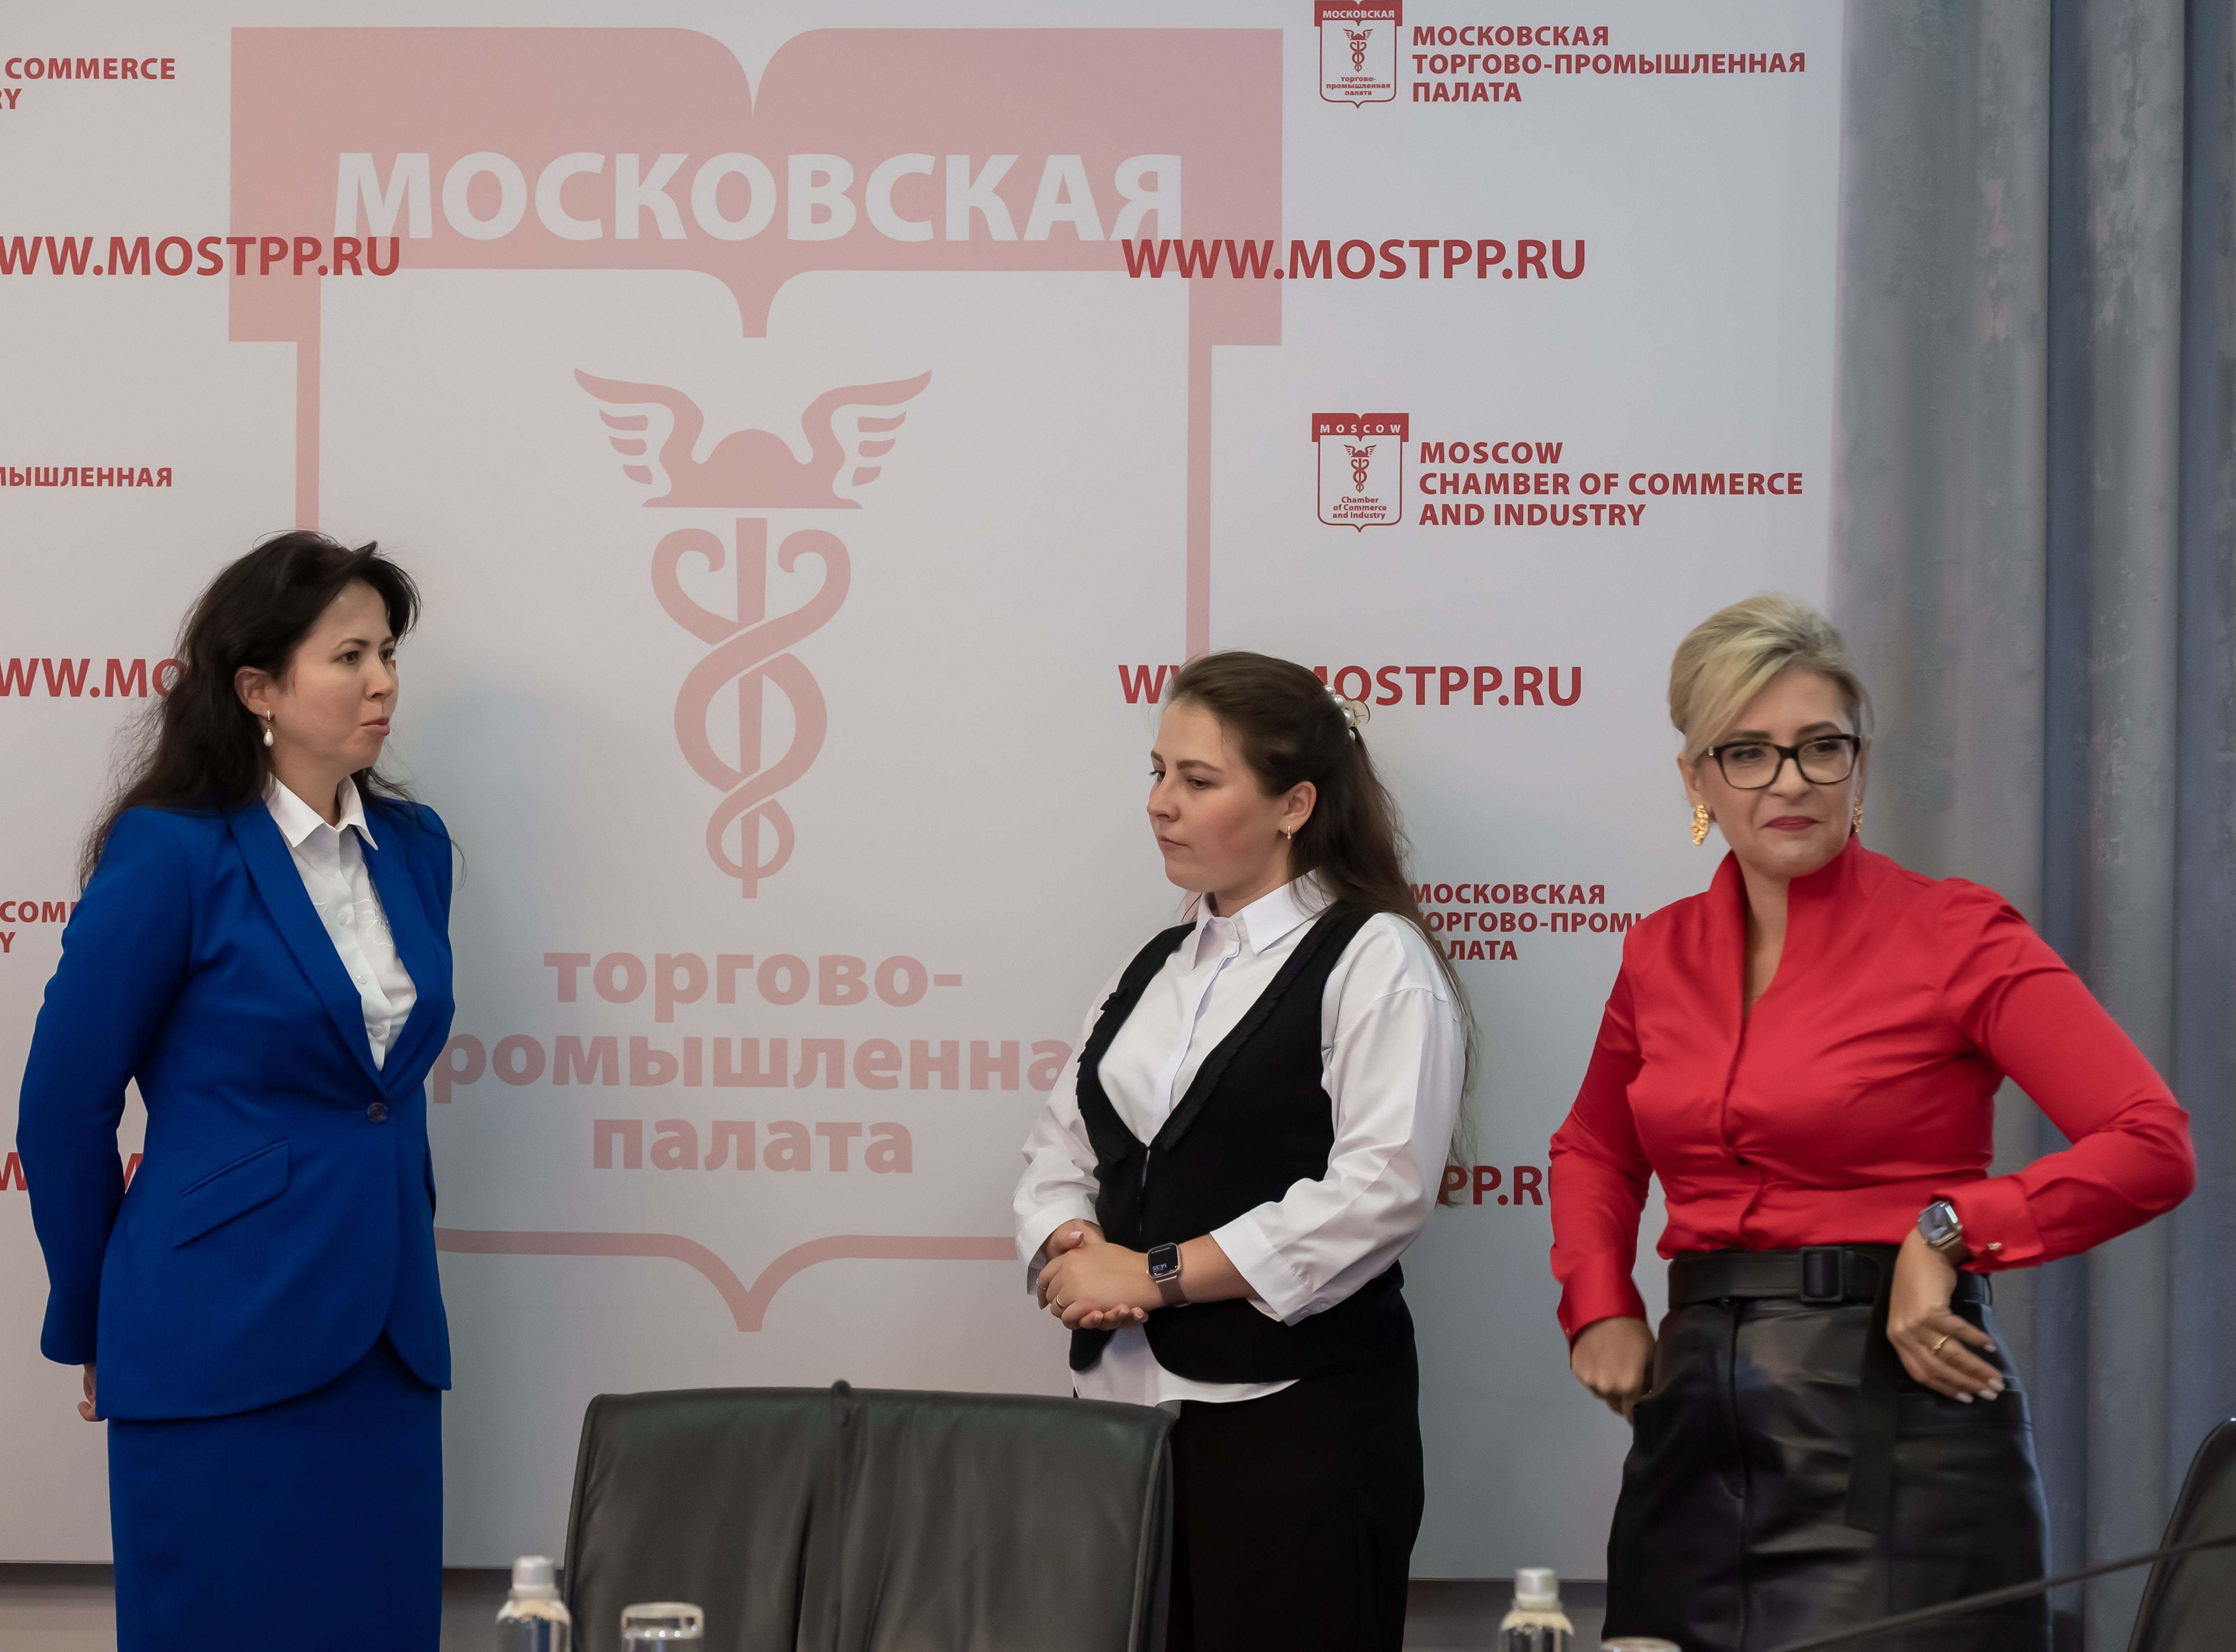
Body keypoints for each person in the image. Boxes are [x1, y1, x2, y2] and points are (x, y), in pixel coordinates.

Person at [1549, 594, 2195, 1652]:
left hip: (1903, 1428)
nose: (1790, 779)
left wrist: (1948, 1230)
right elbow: (1594, 1148)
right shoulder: (1657, 952)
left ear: (1861, 768)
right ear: (1697, 781)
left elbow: (2152, 1141)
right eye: (1747, 752)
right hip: (1692, 1426)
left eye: (1822, 746)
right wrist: (1598, 1302)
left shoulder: (1957, 932)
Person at [16, 532, 456, 1652]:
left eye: (389, 652)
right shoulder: (172, 853)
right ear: (258, 688)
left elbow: (380, 1091)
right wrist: (96, 1316)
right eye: (349, 655)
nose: (383, 681)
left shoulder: (415, 847)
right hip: (216, 1334)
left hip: (386, 1345)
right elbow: (63, 1107)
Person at [1014, 650, 1467, 1652]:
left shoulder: (1375, 958)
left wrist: (1153, 1273)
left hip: (1292, 1428)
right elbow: (1062, 1148)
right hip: (1119, 1427)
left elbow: (1381, 1190)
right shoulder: (1155, 963)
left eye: (1198, 778)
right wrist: (1074, 1247)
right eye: (1157, 771)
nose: (1160, 802)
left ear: (1294, 803)